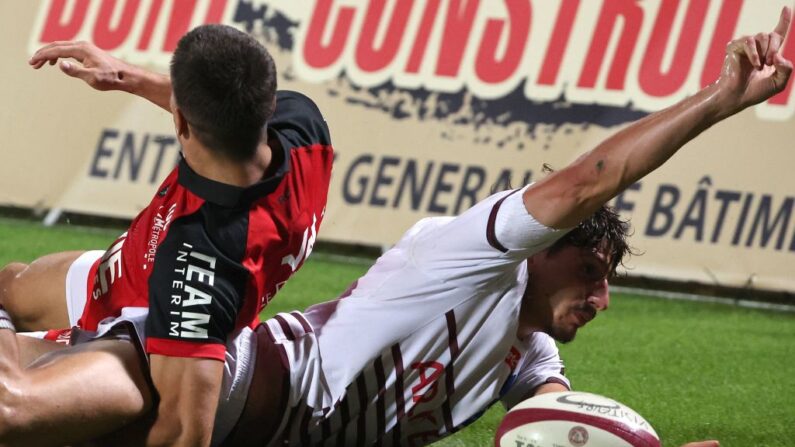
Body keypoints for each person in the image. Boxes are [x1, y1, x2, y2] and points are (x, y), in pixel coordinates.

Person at [0, 6, 788, 446]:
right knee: (18, 405)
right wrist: (717, 103)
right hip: (226, 374)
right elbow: (595, 176)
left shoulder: (525, 349)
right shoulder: (471, 253)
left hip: (200, 324)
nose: (602, 296)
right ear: (543, 250)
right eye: (591, 271)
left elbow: (548, 433)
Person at [0, 24, 333, 445]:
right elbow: (224, 109)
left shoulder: (198, 261)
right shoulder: (304, 129)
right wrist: (127, 78)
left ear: (181, 122)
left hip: (141, 326)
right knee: (9, 283)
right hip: (125, 272)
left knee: (13, 407)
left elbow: (183, 432)